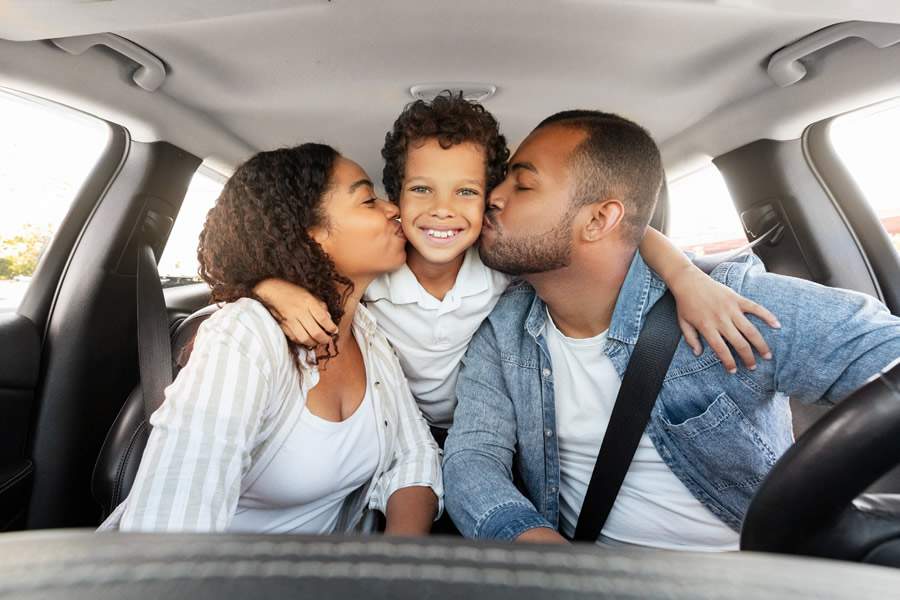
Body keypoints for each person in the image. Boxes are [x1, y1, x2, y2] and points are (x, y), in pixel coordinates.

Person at [442, 109, 900, 550]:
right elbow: (473, 458)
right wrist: (539, 550)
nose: (493, 197)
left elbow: (884, 353)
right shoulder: (503, 329)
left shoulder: (726, 303)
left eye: (521, 184)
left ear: (599, 220)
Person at [256, 94, 780, 449]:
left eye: (466, 192)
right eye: (421, 190)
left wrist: (685, 276)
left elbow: (625, 235)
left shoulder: (504, 263)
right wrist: (270, 288)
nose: (443, 210)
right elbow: (284, 262)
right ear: (395, 198)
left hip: (498, 435)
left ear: (491, 201)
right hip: (396, 435)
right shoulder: (373, 273)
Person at [100, 143, 441, 534]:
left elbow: (413, 452)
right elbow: (171, 521)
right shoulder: (246, 334)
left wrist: (399, 563)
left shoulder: (366, 331)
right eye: (367, 200)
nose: (394, 208)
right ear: (307, 235)